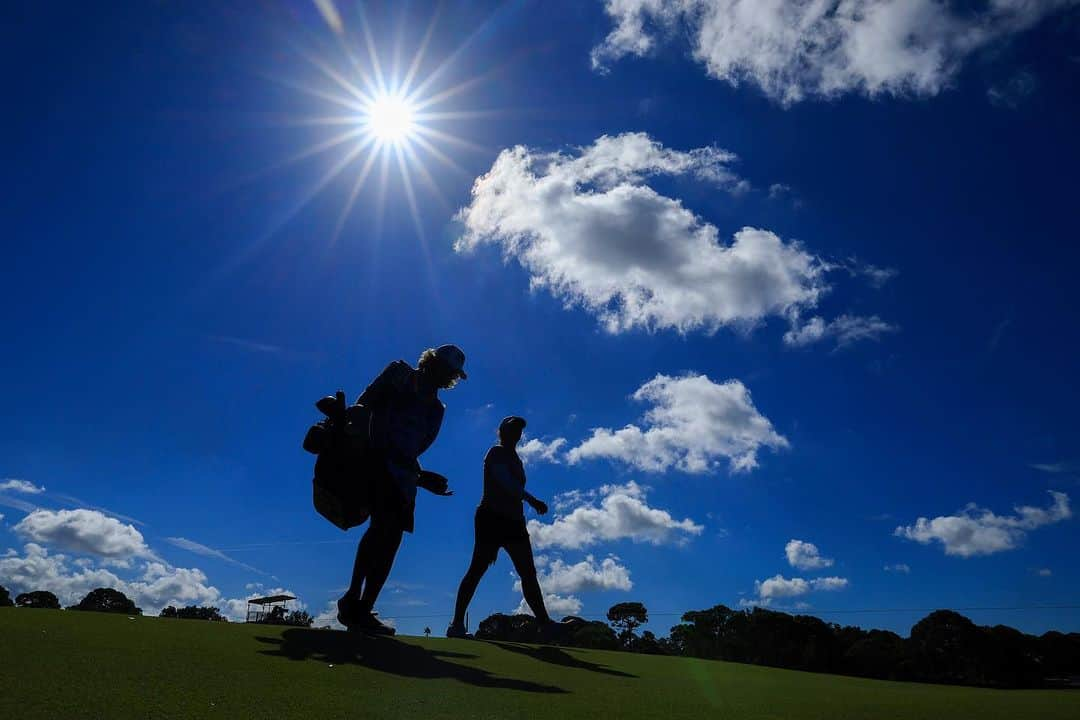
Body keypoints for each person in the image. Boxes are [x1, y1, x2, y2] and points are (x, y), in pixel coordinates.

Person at [336, 344, 466, 635]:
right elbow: (364, 404)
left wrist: (421, 477)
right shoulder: (399, 374)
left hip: (404, 477)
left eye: (450, 374)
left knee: (391, 537)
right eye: (443, 369)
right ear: (430, 362)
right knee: (382, 526)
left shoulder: (436, 409)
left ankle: (362, 607)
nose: (446, 377)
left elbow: (416, 448)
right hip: (373, 459)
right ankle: (354, 598)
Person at [447, 415, 565, 639]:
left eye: (519, 431)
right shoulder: (496, 453)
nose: (516, 434)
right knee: (477, 569)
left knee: (528, 573)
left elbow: (513, 487)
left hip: (514, 522)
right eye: (512, 429)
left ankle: (545, 623)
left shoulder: (516, 459)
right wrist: (532, 500)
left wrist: (526, 502)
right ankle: (457, 624)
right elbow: (506, 483)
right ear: (502, 431)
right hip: (491, 519)